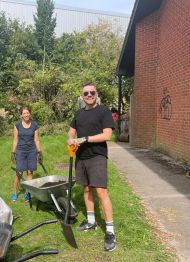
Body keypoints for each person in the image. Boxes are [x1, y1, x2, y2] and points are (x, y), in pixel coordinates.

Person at [67, 84, 116, 251]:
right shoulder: (79, 113)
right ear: (82, 96)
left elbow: (107, 135)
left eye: (92, 92)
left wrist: (85, 139)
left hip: (97, 156)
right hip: (81, 157)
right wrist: (70, 139)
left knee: (101, 191)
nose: (89, 95)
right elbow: (71, 132)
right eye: (86, 93)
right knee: (86, 190)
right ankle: (91, 221)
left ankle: (110, 231)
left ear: (97, 94)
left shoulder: (104, 111)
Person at [11, 106, 42, 202]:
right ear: (21, 115)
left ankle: (27, 193)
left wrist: (39, 152)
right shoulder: (17, 126)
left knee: (29, 172)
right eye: (24, 113)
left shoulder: (34, 125)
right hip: (20, 151)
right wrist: (13, 152)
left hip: (32, 151)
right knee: (19, 172)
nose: (26, 115)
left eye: (27, 113)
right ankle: (15, 192)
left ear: (30, 114)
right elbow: (15, 140)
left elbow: (36, 140)